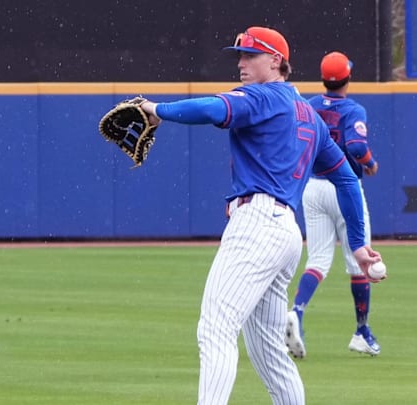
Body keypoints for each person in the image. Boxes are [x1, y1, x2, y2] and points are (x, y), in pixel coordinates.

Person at [137, 27, 381, 404]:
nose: (241, 63)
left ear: (276, 61)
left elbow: (212, 109)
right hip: (284, 235)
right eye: (239, 55)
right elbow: (349, 181)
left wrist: (157, 110)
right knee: (269, 354)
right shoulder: (308, 115)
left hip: (256, 226)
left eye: (249, 55)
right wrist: (358, 246)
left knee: (216, 328)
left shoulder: (263, 96)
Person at [285, 52, 381, 359]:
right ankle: (361, 332)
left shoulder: (310, 105)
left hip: (312, 186)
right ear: (348, 78)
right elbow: (356, 146)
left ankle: (297, 312)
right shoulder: (353, 109)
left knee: (318, 259)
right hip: (344, 185)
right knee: (359, 261)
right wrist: (370, 163)